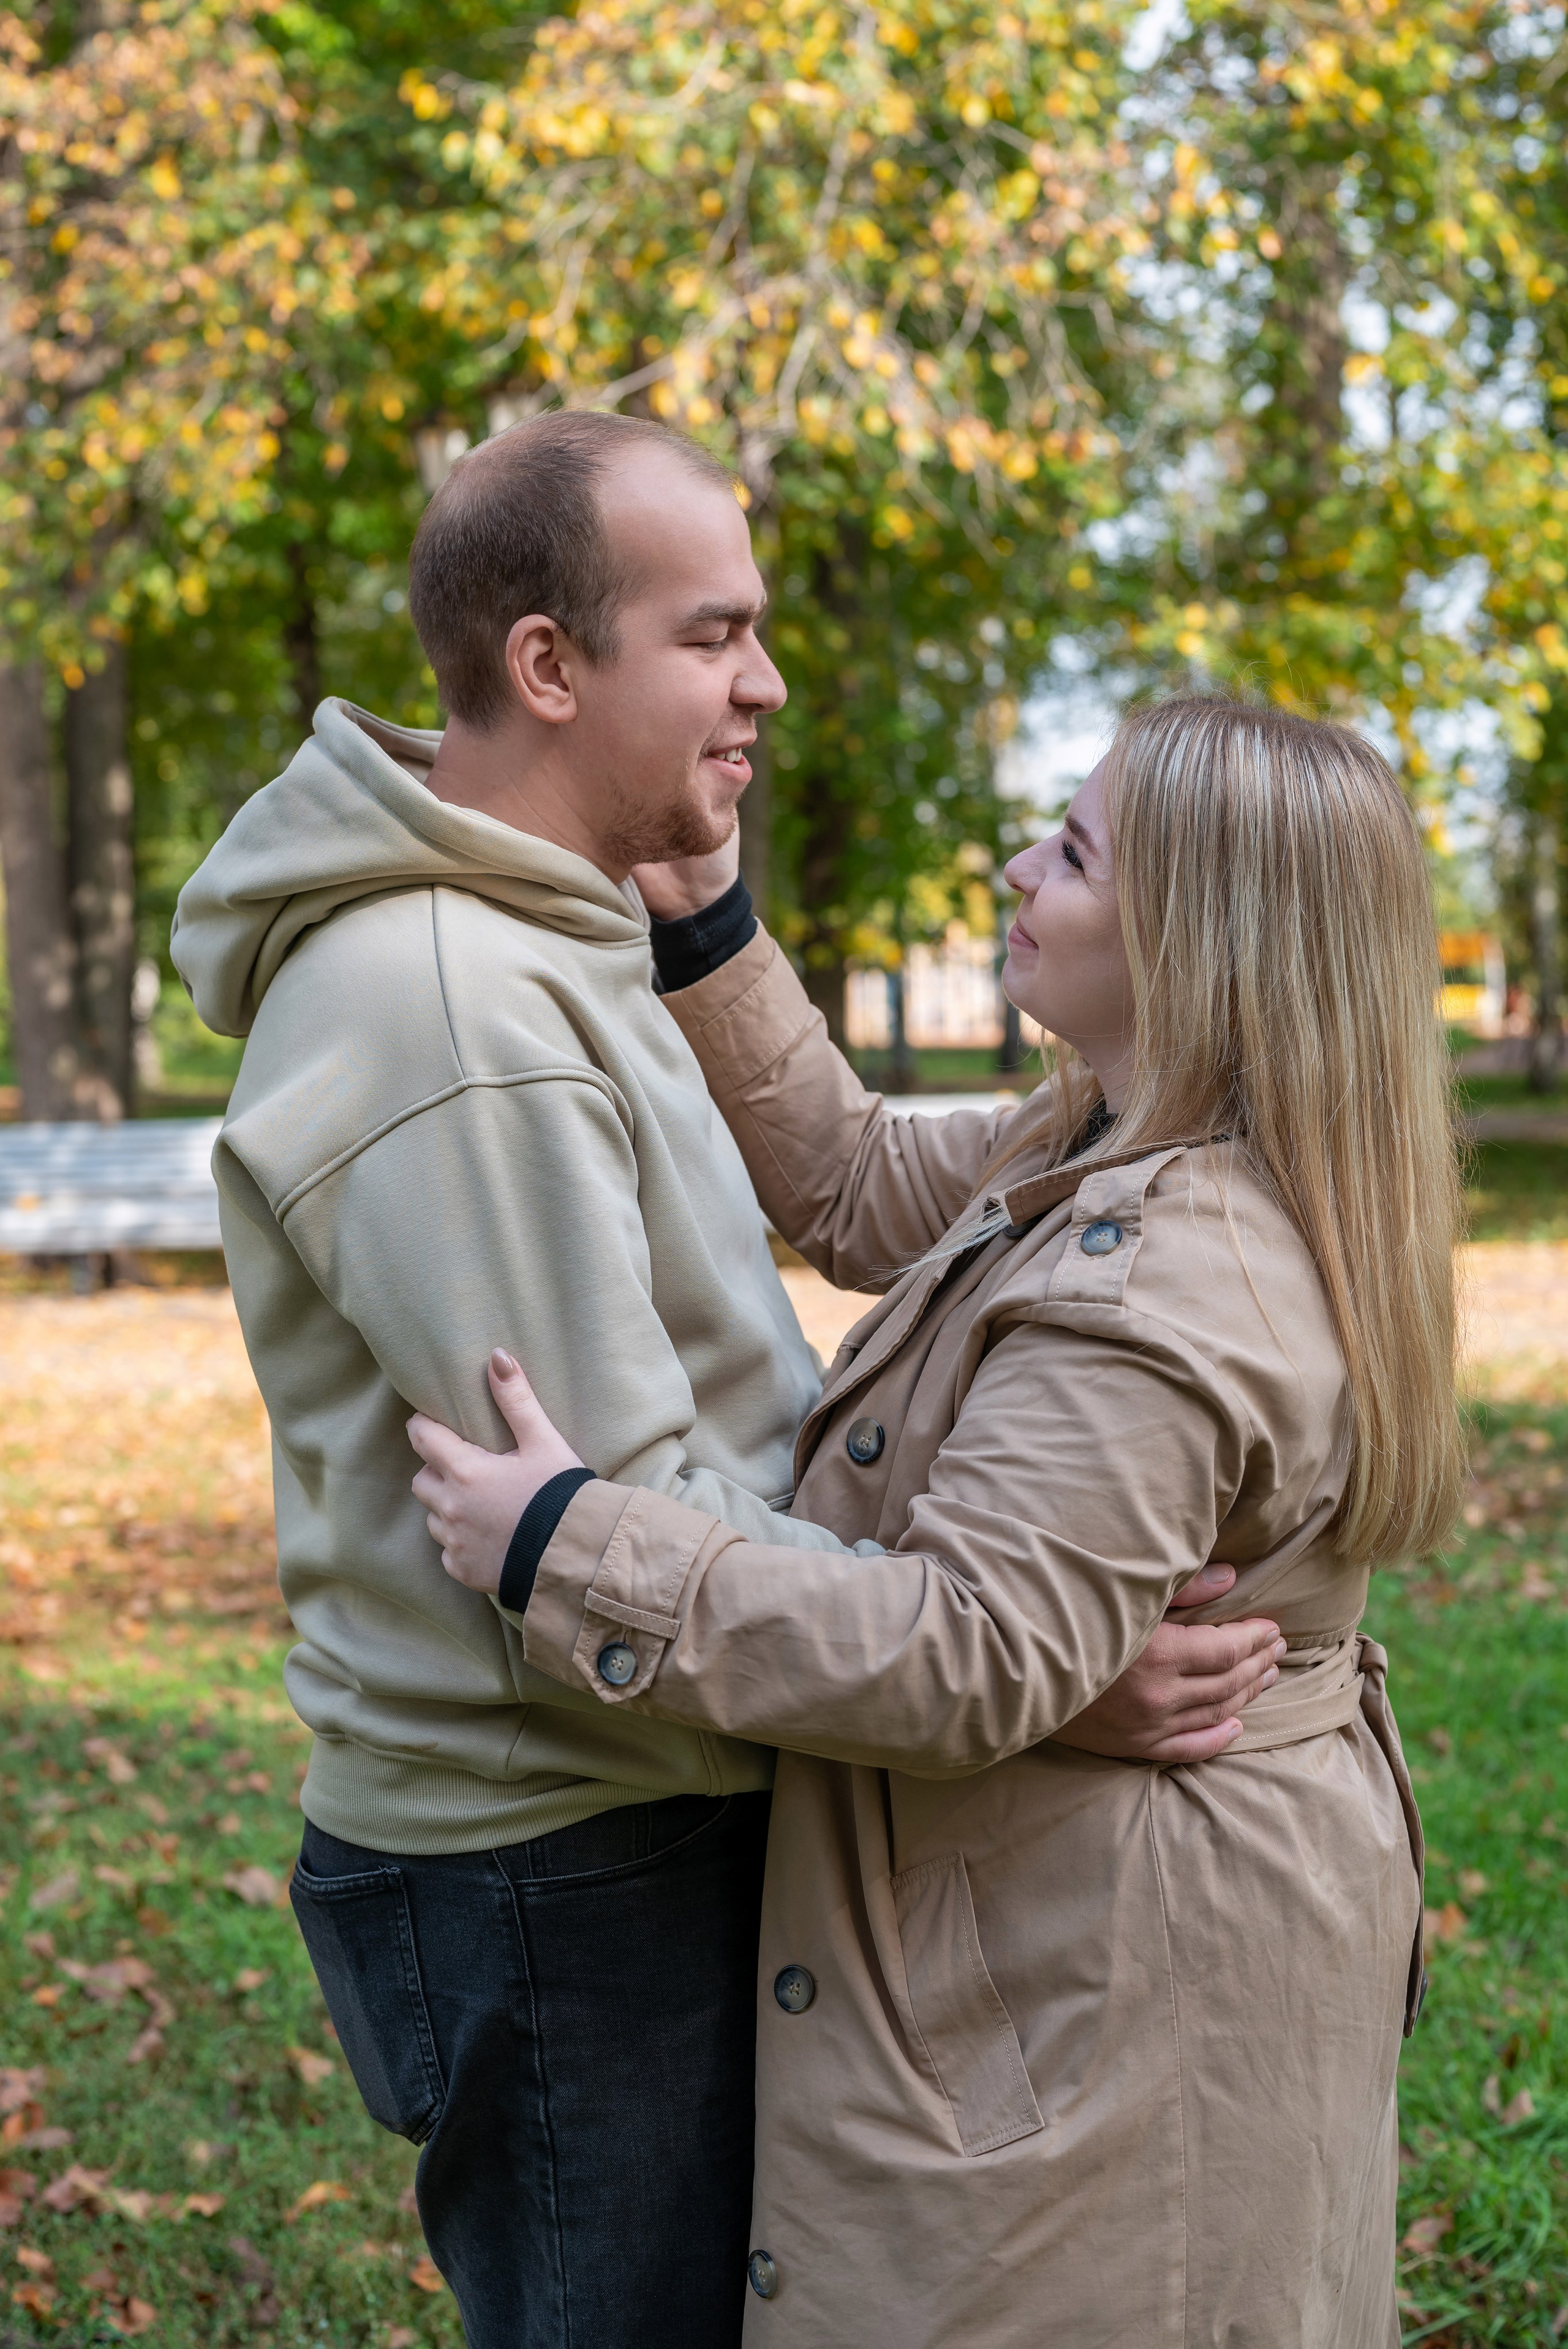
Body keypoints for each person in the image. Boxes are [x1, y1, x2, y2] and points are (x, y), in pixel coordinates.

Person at [168, 417, 1281, 2349]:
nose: (765, 680)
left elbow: (860, 1191)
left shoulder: (562, 935)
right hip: (565, 1846)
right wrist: (1024, 1677)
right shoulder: (457, 1017)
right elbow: (613, 1534)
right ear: (548, 665)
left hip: (654, 1787)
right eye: (716, 633)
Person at [410, 693, 1464, 2348]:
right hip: (1165, 1899)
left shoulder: (1172, 1275)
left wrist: (569, 1542)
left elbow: (966, 1647)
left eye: (1072, 849)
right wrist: (705, 914)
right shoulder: (1116, 1134)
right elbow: (847, 1179)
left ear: (1200, 931)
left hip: (1119, 1956)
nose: (1015, 866)